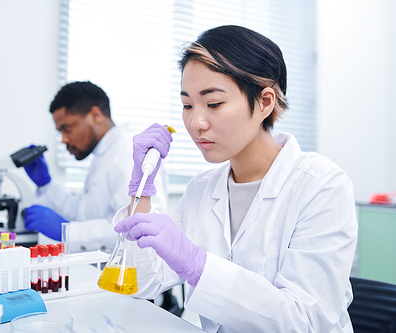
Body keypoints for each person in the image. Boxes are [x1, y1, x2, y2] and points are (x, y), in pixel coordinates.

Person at [113, 25, 358, 332]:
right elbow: (142, 283)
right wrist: (142, 190)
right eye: (187, 105)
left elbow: (306, 322)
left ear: (265, 102)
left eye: (213, 103)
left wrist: (197, 264)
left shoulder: (322, 186)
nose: (196, 122)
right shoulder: (201, 189)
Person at [22, 81, 168, 253]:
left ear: (95, 115)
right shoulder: (104, 153)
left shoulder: (127, 149)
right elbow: (82, 214)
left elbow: (141, 226)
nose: (64, 140)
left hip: (135, 276)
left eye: (67, 128)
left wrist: (69, 231)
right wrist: (46, 185)